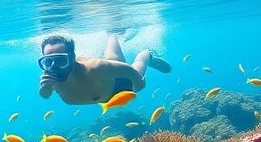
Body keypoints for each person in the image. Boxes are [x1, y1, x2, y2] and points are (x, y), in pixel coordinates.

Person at [37, 34, 170, 105]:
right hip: (103, 82)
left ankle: (146, 54)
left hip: (118, 87)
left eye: (61, 60)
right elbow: (45, 96)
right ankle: (112, 35)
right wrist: (45, 89)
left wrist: (138, 84)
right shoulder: (49, 76)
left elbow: (129, 71)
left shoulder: (94, 68)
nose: (53, 66)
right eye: (47, 61)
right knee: (111, 57)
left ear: (73, 58)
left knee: (116, 60)